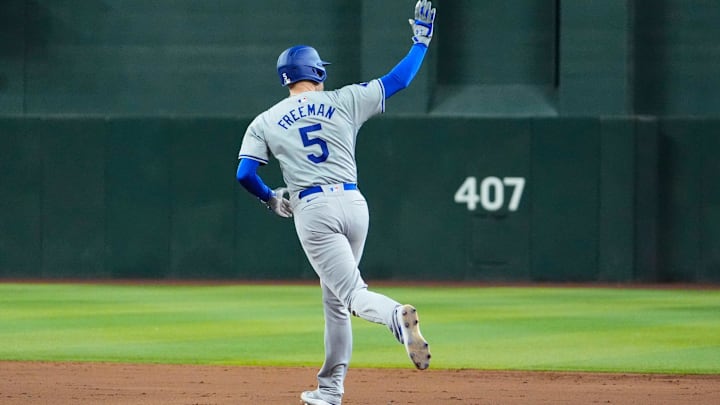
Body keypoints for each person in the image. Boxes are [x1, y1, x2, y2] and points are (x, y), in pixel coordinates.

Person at [235, 1, 436, 404]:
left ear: (286, 79)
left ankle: (396, 316)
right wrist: (420, 43)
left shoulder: (266, 119)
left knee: (353, 296)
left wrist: (271, 198)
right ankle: (329, 390)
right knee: (336, 301)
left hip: (314, 211)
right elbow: (398, 80)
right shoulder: (345, 99)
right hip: (354, 203)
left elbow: (244, 173)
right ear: (318, 73)